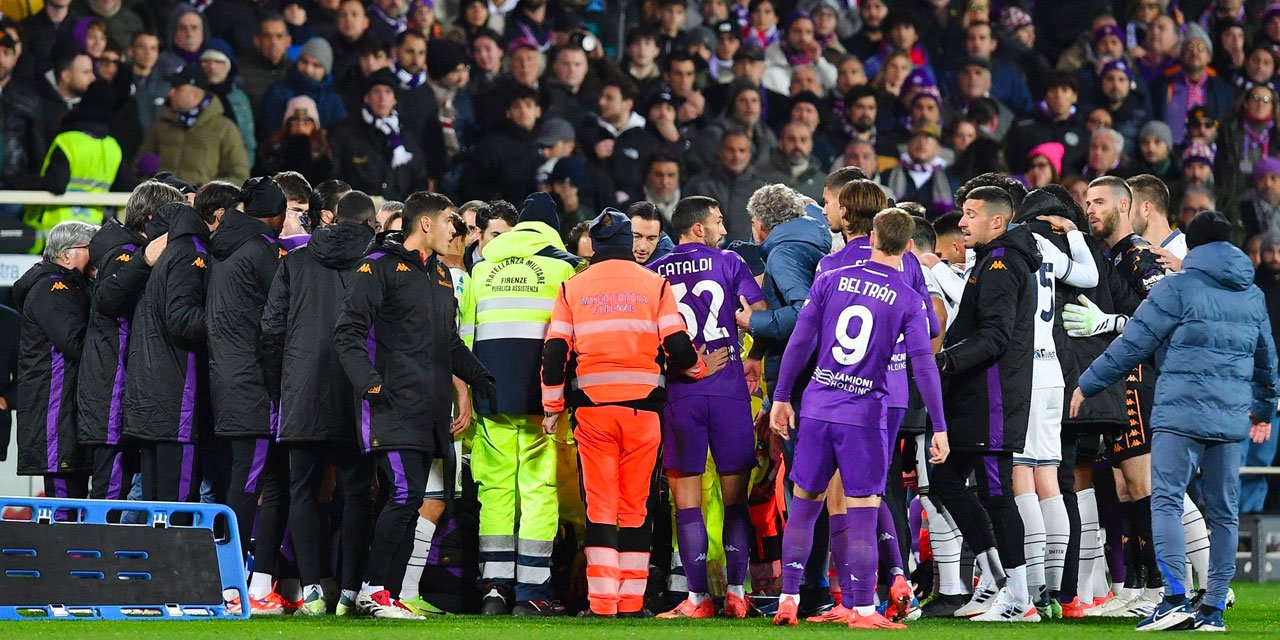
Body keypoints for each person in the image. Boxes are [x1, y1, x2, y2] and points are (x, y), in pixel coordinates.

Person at [1071, 210, 1277, 632]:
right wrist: (1264, 410)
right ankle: (1214, 609)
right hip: (1230, 417)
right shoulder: (1252, 294)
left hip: (1179, 414)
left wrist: (1087, 385)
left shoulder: (1177, 289)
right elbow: (1267, 362)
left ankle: (1176, 598)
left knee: (1164, 500)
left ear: (1194, 246)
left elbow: (1132, 344)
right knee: (1224, 511)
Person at [769, 208, 949, 629]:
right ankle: (865, 611)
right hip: (864, 413)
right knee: (865, 508)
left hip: (815, 407)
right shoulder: (906, 296)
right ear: (908, 247)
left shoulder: (830, 279)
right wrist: (938, 425)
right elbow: (923, 365)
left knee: (805, 507)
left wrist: (781, 396)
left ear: (870, 237)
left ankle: (788, 599)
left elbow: (800, 340)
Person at [540, 208, 724, 618]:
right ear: (629, 243)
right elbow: (677, 343)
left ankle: (602, 603)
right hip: (644, 412)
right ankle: (632, 602)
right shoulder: (654, 284)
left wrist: (552, 405)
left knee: (600, 505)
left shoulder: (573, 287)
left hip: (593, 413)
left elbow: (555, 353)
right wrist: (697, 369)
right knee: (636, 505)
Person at [334, 191, 495, 619]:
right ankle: (372, 590)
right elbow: (347, 332)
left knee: (410, 500)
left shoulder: (440, 275)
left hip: (428, 407)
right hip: (389, 403)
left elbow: (448, 343)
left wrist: (480, 378)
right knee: (404, 495)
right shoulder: (378, 267)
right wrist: (369, 384)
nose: (456, 231)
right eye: (450, 221)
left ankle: (385, 590)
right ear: (425, 223)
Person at [458, 191, 581, 617]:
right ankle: (532, 591)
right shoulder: (565, 267)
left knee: (494, 491)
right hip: (540, 399)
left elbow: (467, 336)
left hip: (490, 393)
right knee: (539, 490)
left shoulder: (482, 267)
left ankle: (493, 587)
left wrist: (469, 393)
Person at [647, 195, 766, 620]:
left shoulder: (653, 271)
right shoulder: (730, 261)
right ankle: (736, 594)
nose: (721, 229)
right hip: (730, 388)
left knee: (688, 502)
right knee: (735, 500)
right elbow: (760, 311)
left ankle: (696, 600)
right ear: (698, 228)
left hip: (682, 391)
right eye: (716, 222)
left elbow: (646, 338)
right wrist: (751, 353)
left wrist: (686, 360)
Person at [261, 189, 377, 616]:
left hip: (303, 389)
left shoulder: (294, 262)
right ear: (370, 223)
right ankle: (349, 592)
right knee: (357, 492)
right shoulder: (374, 264)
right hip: (358, 391)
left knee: (303, 490)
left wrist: (283, 384)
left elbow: (271, 330)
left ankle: (311, 590)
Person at [930, 186, 1041, 622]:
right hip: (978, 396)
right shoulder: (993, 261)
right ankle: (997, 579)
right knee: (945, 483)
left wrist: (947, 360)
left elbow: (997, 335)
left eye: (971, 214)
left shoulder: (1000, 263)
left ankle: (1020, 598)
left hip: (992, 397)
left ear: (997, 221)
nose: (962, 222)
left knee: (997, 494)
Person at [1064, 176, 1168, 617]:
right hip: (1123, 378)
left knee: (1141, 483)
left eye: (1100, 202)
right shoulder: (1111, 257)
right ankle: (1135, 588)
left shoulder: (1139, 255)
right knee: (1125, 486)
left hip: (1142, 377)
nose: (1090, 209)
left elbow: (1166, 312)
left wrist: (1109, 323)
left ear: (1125, 207)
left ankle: (1161, 588)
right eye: (1087, 202)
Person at [206, 177, 291, 614]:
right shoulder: (262, 251)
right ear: (275, 215)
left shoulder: (222, 248)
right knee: (248, 484)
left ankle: (247, 583)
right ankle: (232, 584)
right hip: (254, 386)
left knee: (246, 481)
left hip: (225, 380)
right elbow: (278, 321)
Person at [76, 182, 183, 502]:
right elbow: (108, 300)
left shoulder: (125, 251)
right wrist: (144, 260)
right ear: (151, 219)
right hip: (113, 391)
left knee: (127, 490)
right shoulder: (124, 255)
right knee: (111, 492)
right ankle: (96, 551)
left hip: (124, 389)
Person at [122, 201, 215, 506]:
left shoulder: (158, 257)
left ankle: (149, 554)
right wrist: (227, 320)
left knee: (153, 500)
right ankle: (173, 556)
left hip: (149, 394)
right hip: (177, 397)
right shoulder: (190, 251)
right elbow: (182, 320)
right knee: (177, 504)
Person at [13, 221, 98, 499]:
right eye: (90, 248)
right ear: (65, 255)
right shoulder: (52, 289)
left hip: (65, 412)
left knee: (73, 501)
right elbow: (74, 342)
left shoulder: (72, 287)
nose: (96, 255)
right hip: (55, 415)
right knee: (64, 507)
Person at [135, 64, 249, 186]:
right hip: (163, 202)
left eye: (177, 88)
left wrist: (207, 192)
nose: (170, 93)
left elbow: (240, 176)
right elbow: (137, 170)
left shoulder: (225, 129)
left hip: (203, 204)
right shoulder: (161, 125)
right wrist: (142, 174)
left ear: (195, 95)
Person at [328, 69, 430, 201]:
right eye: (376, 91)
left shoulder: (407, 136)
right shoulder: (346, 133)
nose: (382, 98)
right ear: (366, 97)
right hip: (358, 212)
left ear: (395, 99)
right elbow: (336, 176)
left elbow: (419, 178)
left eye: (388, 91)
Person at [685, 131, 768, 241]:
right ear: (720, 152)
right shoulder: (699, 184)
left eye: (742, 150)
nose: (736, 156)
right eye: (730, 150)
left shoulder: (762, 190)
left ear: (750, 154)